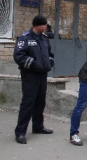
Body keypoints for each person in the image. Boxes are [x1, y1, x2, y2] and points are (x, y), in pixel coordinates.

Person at [13, 15, 55, 144]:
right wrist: (34, 65)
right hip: (30, 75)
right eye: (44, 24)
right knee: (28, 103)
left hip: (42, 74)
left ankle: (38, 126)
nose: (46, 26)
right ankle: (20, 132)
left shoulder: (44, 38)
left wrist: (49, 63)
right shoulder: (24, 38)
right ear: (36, 25)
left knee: (40, 102)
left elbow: (50, 54)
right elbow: (19, 56)